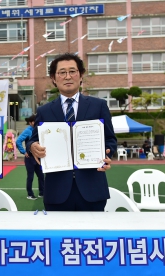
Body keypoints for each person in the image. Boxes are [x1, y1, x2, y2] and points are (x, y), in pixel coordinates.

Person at [27, 53, 116, 211]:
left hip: (92, 189)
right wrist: (32, 145)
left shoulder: (99, 106)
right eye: (62, 72)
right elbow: (32, 140)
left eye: (72, 71)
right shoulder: (45, 110)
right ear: (54, 78)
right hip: (56, 191)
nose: (68, 76)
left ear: (81, 75)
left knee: (92, 235)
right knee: (58, 235)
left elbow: (110, 140)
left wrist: (107, 154)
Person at [16, 114, 45, 200]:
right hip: (30, 158)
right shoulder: (28, 131)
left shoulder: (39, 129)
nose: (36, 123)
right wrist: (23, 152)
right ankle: (30, 194)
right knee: (30, 176)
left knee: (41, 175)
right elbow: (18, 141)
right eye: (34, 121)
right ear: (30, 122)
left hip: (38, 157)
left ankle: (42, 193)